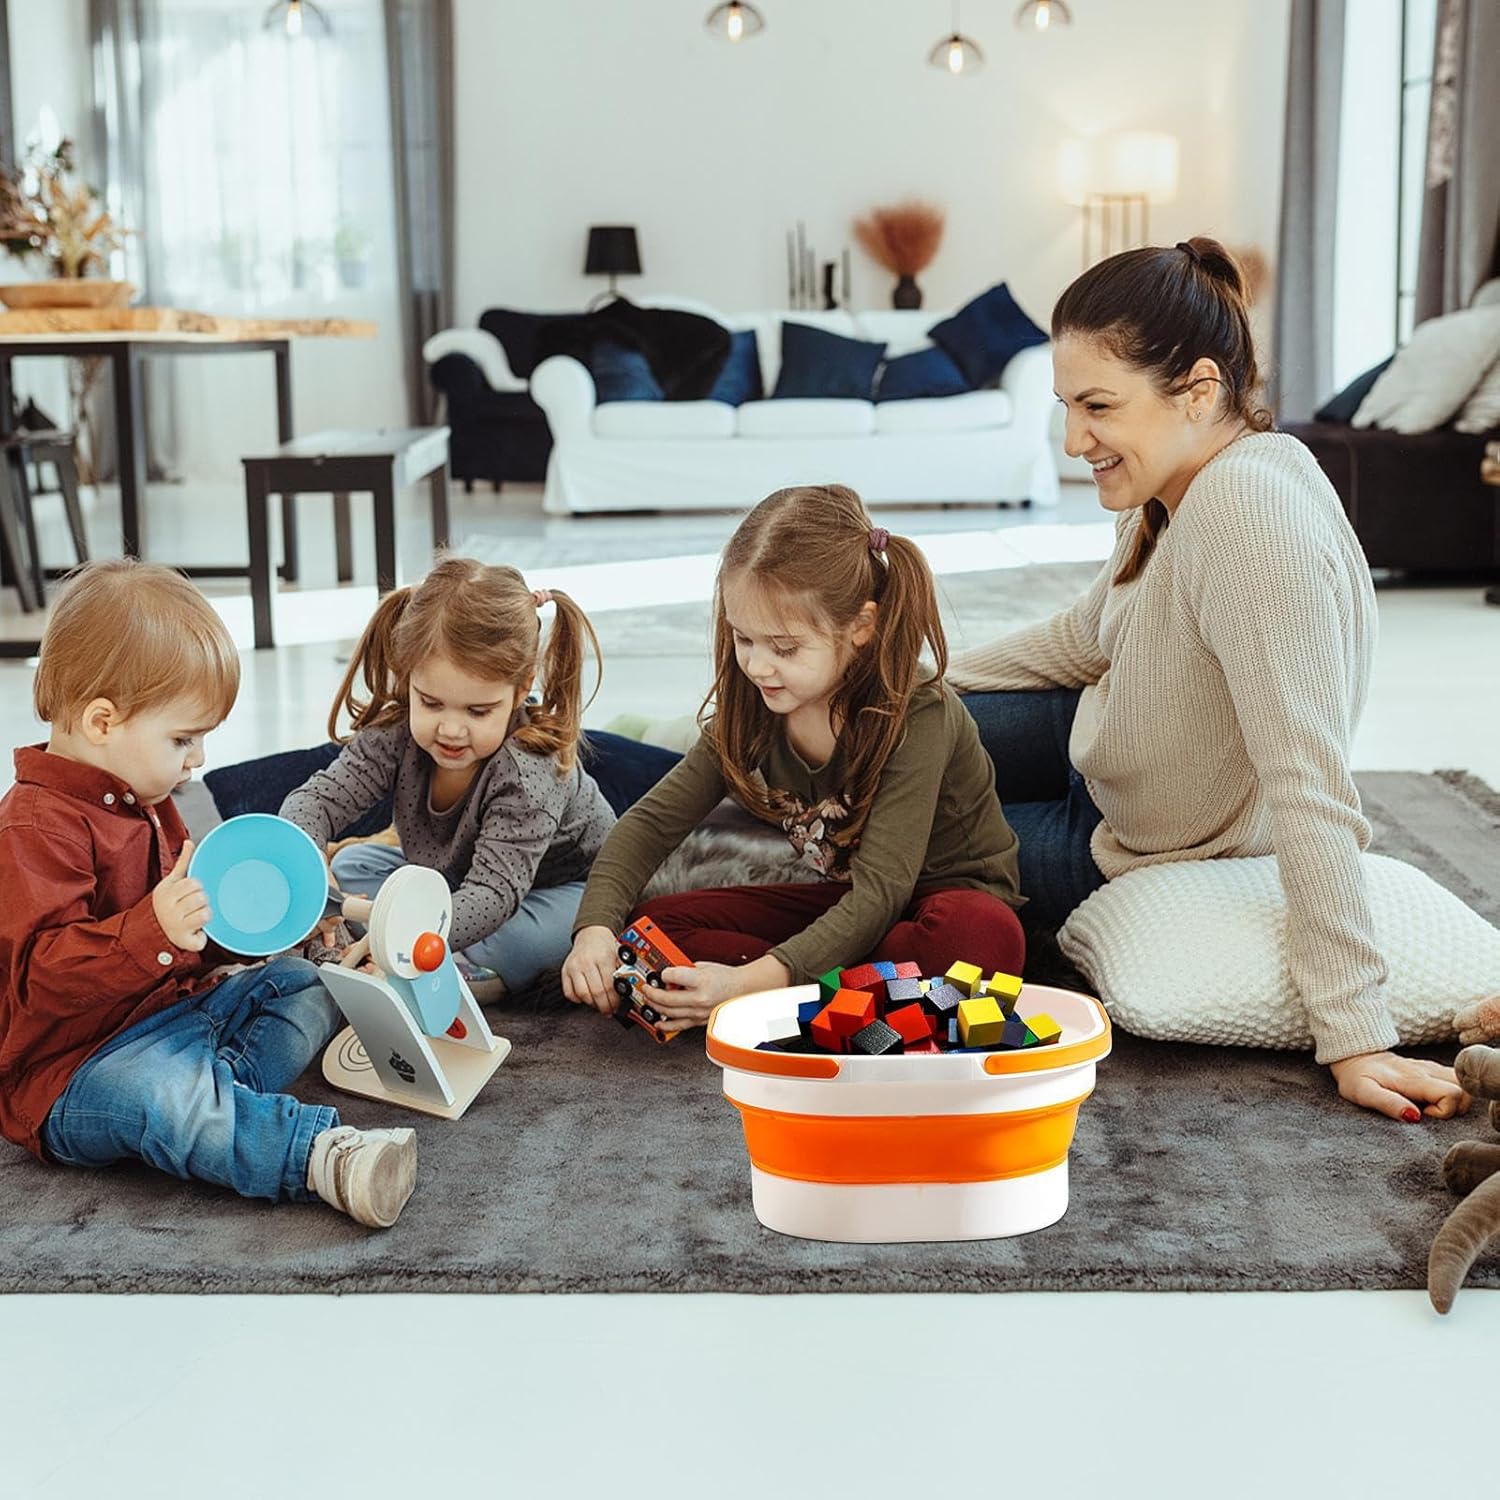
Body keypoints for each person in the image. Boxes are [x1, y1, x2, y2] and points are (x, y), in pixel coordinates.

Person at [948, 235, 1467, 1124]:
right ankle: (695, 759)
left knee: (862, 816)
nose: (1074, 440)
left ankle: (653, 788)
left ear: (1197, 388)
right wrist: (921, 676)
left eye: (1097, 406)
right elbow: (1089, 633)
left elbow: (1308, 783)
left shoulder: (1247, 518)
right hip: (1105, 743)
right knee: (855, 722)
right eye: (1068, 406)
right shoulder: (1186, 479)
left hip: (1135, 838)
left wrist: (1355, 1031)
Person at [0, 560, 416, 1228]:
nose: (196, 760)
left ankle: (215, 1108)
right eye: (182, 739)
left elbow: (191, 939)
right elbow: (38, 983)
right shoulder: (33, 825)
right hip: (74, 1069)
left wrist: (267, 928)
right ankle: (319, 1155)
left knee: (306, 982)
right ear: (104, 721)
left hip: (176, 1016)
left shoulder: (150, 801)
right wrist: (153, 934)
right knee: (159, 1094)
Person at [561, 484, 1025, 1030]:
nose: (757, 666)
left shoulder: (916, 712)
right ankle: (830, 993)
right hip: (850, 909)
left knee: (979, 938)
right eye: (744, 639)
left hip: (937, 909)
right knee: (648, 924)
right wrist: (592, 929)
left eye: (783, 648)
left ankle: (777, 990)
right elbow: (649, 824)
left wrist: (745, 979)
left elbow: (884, 891)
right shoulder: (756, 702)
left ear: (861, 628)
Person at [280, 555, 615, 1001]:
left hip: (560, 893)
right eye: (431, 703)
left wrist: (401, 937)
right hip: (455, 884)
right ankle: (396, 947)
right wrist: (312, 873)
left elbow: (494, 895)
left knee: (520, 943)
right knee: (350, 867)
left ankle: (444, 973)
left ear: (521, 688)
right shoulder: (395, 736)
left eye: (479, 711)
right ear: (409, 677)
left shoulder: (528, 773)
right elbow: (312, 803)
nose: (451, 730)